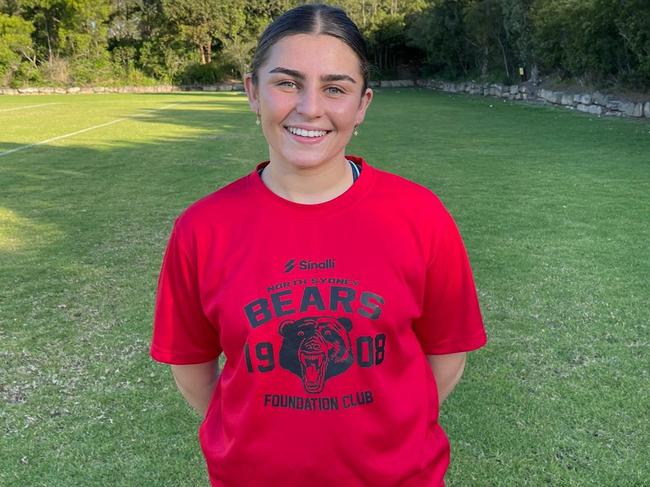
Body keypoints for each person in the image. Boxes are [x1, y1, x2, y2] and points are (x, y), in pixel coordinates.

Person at [150, 4, 487, 486]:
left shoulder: (420, 216)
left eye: (335, 88)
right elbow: (190, 365)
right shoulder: (202, 228)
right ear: (253, 92)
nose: (310, 108)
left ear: (362, 105)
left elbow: (448, 354)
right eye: (286, 82)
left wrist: (390, 433)